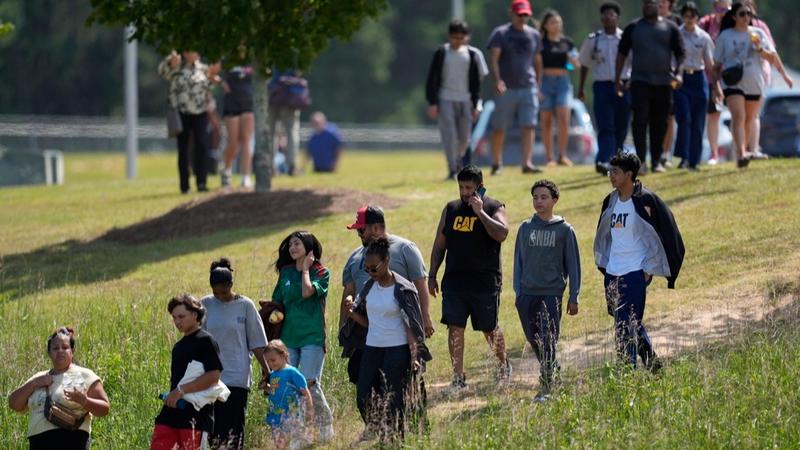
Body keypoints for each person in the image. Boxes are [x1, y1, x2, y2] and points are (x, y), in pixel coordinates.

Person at [593, 152, 684, 370]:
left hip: (635, 272)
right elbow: (603, 233)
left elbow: (665, 232)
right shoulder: (610, 200)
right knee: (626, 321)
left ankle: (626, 371)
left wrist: (650, 267)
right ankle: (653, 366)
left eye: (615, 172)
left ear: (629, 174)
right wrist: (604, 264)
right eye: (610, 172)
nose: (611, 176)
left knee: (625, 325)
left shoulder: (646, 200)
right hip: (612, 272)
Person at [428, 165, 511, 389]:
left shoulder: (494, 206)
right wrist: (432, 274)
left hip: (484, 281)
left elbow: (502, 233)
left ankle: (504, 365)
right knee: (455, 327)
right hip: (454, 280)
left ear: (480, 188)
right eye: (461, 187)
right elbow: (440, 244)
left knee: (489, 328)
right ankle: (458, 376)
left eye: (469, 188)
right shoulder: (451, 209)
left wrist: (480, 213)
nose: (464, 192)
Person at [343, 237, 430, 443]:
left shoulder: (403, 288)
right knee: (363, 394)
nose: (370, 272)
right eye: (367, 269)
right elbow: (368, 321)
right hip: (372, 348)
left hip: (397, 348)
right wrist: (352, 314)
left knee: (394, 398)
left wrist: (415, 353)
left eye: (374, 268)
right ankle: (379, 429)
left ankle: (395, 440)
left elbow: (411, 324)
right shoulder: (368, 287)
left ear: (387, 261)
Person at [339, 205, 434, 385]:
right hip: (366, 327)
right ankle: (378, 412)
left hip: (399, 326)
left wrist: (425, 318)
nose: (359, 235)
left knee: (404, 377)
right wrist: (344, 328)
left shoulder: (405, 248)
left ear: (375, 228)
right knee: (360, 376)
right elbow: (349, 292)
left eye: (361, 230)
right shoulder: (354, 257)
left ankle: (411, 410)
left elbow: (420, 285)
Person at [513, 180, 580, 402]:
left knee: (548, 338)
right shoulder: (525, 228)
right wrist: (518, 293)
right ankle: (553, 371)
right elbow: (518, 262)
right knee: (534, 339)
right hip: (527, 295)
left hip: (552, 293)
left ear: (554, 200)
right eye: (535, 197)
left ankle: (547, 386)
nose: (539, 201)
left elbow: (573, 265)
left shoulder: (564, 230)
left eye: (543, 197)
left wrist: (573, 296)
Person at [270, 231, 335, 442]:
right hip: (289, 339)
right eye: (290, 244)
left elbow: (308, 292)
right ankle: (299, 434)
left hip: (312, 337)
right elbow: (277, 301)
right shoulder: (286, 273)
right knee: (291, 386)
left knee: (308, 383)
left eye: (297, 243)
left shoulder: (321, 272)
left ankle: (325, 422)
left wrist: (305, 269)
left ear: (309, 247)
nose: (292, 248)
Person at [200, 258, 270, 449]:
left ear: (231, 285)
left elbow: (256, 342)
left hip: (237, 375)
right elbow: (197, 340)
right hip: (211, 377)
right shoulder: (204, 305)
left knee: (234, 429)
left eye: (224, 292)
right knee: (213, 429)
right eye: (216, 293)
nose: (220, 297)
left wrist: (267, 370)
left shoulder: (245, 305)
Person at [711, 2, 787, 168]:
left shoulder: (758, 33)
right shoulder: (725, 36)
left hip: (755, 83)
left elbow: (772, 57)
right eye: (742, 14)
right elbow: (716, 65)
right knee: (739, 116)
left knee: (749, 118)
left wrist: (760, 49)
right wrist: (715, 86)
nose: (746, 17)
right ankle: (742, 153)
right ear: (734, 17)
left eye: (749, 14)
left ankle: (742, 152)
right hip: (733, 83)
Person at [8, 327, 110, 450]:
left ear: (72, 351)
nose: (60, 351)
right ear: (49, 352)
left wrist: (84, 401)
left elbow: (104, 409)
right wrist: (34, 383)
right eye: (55, 348)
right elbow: (14, 404)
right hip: (37, 444)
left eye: (65, 347)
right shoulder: (38, 377)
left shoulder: (84, 375)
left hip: (73, 442)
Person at [616, 0, 685, 174]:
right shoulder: (634, 27)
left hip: (664, 83)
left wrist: (679, 74)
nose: (649, 6)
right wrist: (618, 78)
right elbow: (622, 53)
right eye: (646, 3)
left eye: (652, 3)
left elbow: (681, 53)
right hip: (640, 82)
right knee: (639, 121)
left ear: (659, 6)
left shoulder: (670, 27)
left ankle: (656, 161)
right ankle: (640, 161)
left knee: (660, 123)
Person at [151, 295, 224, 450]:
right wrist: (175, 394)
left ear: (195, 315)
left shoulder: (206, 340)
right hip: (170, 414)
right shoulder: (178, 346)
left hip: (196, 417)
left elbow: (214, 376)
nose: (177, 321)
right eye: (174, 317)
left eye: (181, 316)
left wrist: (181, 391)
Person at [425, 19, 489, 179]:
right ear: (449, 36)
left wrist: (476, 104)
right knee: (450, 135)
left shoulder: (473, 55)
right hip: (445, 98)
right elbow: (432, 78)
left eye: (461, 37)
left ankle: (458, 160)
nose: (458, 41)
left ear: (467, 37)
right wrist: (432, 102)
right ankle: (452, 168)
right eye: (455, 37)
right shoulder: (441, 53)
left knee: (464, 138)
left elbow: (477, 82)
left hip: (466, 100)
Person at [487, 0, 544, 175]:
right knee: (500, 127)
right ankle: (497, 163)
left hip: (528, 86)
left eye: (525, 14)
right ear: (511, 13)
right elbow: (494, 59)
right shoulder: (500, 34)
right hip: (507, 87)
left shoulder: (534, 35)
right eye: (519, 14)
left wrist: (538, 84)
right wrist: (498, 80)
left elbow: (537, 61)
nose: (522, 18)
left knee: (528, 125)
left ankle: (527, 163)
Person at [578, 1, 632, 175]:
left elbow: (634, 63)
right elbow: (585, 63)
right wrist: (581, 88)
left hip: (623, 85)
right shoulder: (594, 40)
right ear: (601, 18)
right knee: (605, 125)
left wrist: (630, 82)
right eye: (605, 14)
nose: (608, 17)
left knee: (621, 126)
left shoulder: (626, 38)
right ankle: (604, 160)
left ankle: (616, 161)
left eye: (611, 14)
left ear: (618, 18)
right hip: (602, 85)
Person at [158, 50, 221, 193]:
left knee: (202, 146)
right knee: (184, 149)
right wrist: (170, 61)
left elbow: (207, 87)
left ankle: (201, 182)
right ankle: (184, 185)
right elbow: (162, 71)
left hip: (200, 111)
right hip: (182, 111)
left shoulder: (203, 69)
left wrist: (213, 80)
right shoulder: (176, 67)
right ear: (185, 53)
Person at [743, 0, 793, 159]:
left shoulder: (760, 28)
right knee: (740, 115)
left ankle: (753, 148)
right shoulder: (732, 28)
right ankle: (742, 150)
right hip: (737, 79)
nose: (746, 12)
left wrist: (784, 74)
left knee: (754, 113)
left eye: (748, 8)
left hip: (760, 75)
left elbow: (772, 53)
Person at [674, 2, 716, 171]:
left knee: (698, 122)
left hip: (699, 79)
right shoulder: (676, 34)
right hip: (681, 79)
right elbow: (672, 57)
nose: (689, 19)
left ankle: (694, 160)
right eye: (686, 16)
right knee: (684, 118)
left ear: (697, 18)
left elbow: (709, 64)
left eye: (692, 16)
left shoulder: (704, 37)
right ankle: (683, 157)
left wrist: (716, 86)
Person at [538, 9, 579, 167]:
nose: (557, 25)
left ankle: (562, 155)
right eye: (553, 22)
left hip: (563, 81)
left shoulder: (567, 43)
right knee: (547, 121)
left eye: (559, 22)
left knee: (563, 118)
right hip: (545, 81)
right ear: (546, 25)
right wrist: (538, 85)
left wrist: (571, 61)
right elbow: (537, 65)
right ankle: (550, 158)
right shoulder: (540, 43)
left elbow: (575, 65)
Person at [263, 339, 314, 450]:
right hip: (275, 413)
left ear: (283, 355)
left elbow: (305, 390)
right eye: (268, 362)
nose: (271, 364)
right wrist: (266, 388)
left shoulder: (292, 372)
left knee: (287, 442)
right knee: (278, 442)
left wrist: (309, 410)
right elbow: (275, 391)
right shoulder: (273, 375)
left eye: (273, 360)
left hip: (291, 413)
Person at [699, 0, 732, 165]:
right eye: (720, 9)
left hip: (732, 76)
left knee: (739, 114)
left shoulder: (735, 24)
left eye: (727, 9)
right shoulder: (705, 24)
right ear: (714, 8)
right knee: (714, 114)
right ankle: (714, 153)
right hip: (710, 77)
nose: (723, 12)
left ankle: (742, 151)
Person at [220, 65, 255, 188]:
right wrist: (221, 82)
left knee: (246, 140)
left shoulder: (252, 58)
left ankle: (245, 176)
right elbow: (211, 72)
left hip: (248, 102)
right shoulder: (228, 59)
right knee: (233, 141)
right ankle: (226, 170)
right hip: (231, 102)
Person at [268, 70, 308, 176]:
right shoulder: (293, 55)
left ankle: (270, 167)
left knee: (271, 134)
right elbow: (298, 73)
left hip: (272, 94)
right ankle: (291, 166)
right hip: (289, 96)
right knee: (291, 133)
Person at [659, 0, 684, 169]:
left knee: (670, 116)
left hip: (671, 74)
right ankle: (655, 151)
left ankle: (665, 153)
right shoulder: (647, 21)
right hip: (652, 73)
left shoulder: (676, 22)